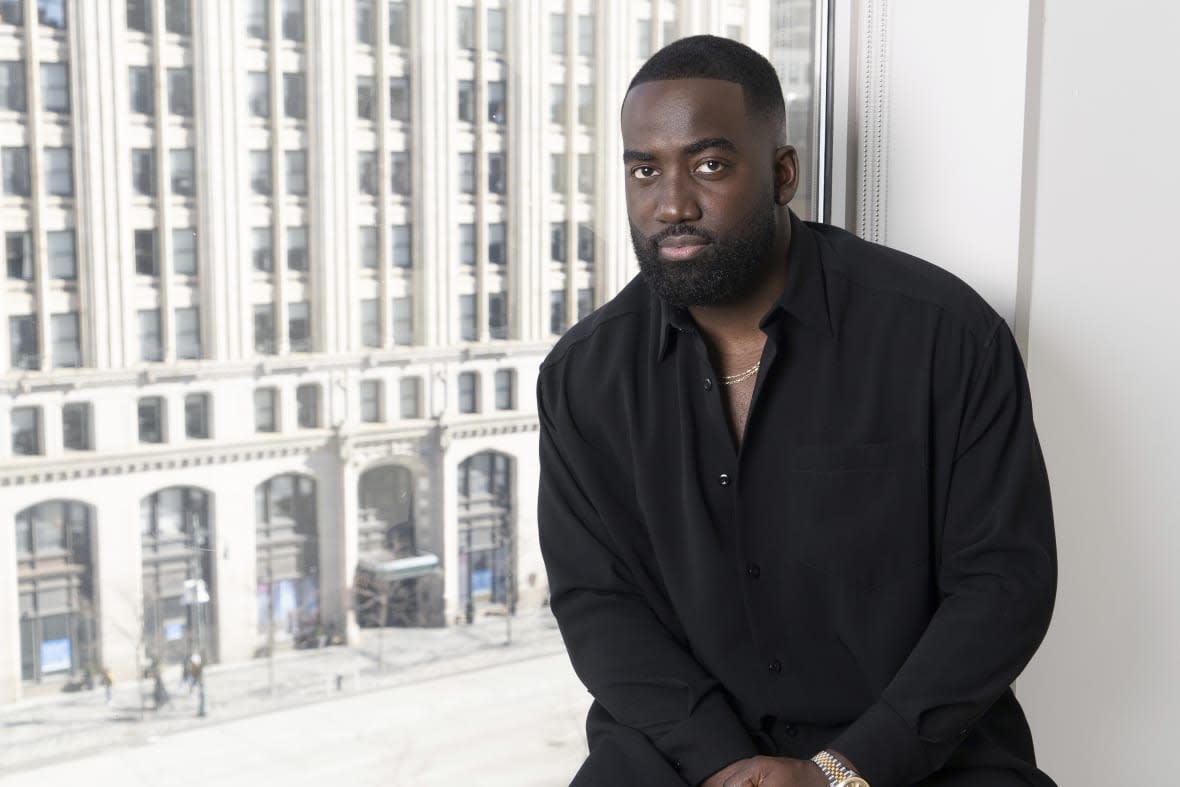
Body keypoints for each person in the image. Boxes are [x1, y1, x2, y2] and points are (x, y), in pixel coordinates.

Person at [537, 35, 1057, 787]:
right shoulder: (583, 377)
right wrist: (720, 762)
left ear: (784, 173)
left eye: (709, 165)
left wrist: (842, 772)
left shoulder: (945, 335)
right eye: (645, 170)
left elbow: (1004, 584)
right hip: (678, 754)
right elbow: (598, 600)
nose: (672, 203)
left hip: (916, 755)